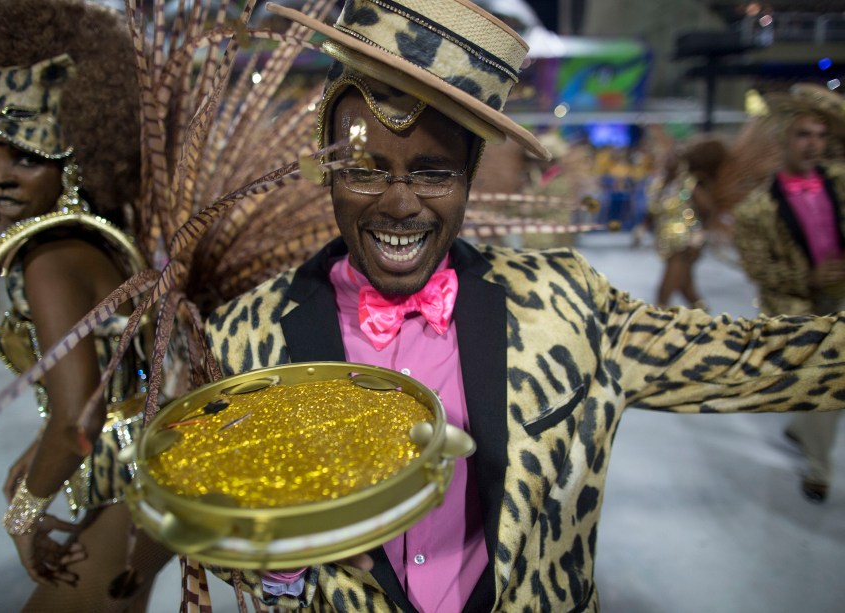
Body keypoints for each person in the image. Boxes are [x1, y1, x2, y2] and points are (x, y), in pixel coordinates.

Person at [199, 2, 845, 611]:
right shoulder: (248, 341)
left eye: (433, 172)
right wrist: (274, 555)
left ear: (470, 177)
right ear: (327, 170)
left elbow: (758, 359)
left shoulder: (566, 306)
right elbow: (189, 506)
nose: (399, 204)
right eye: (366, 170)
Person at [0, 1, 173, 609]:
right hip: (149, 469)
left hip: (133, 491)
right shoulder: (89, 238)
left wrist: (23, 515)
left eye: (26, 156)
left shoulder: (47, 260)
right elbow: (113, 389)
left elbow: (76, 421)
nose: (0, 175)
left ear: (71, 158)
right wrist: (38, 455)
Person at [732, 83, 845, 503]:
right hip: (799, 307)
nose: (813, 144)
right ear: (783, 140)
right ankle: (819, 468)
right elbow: (758, 268)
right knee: (829, 378)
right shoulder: (755, 211)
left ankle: (802, 428)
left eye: (820, 134)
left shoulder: (840, 183)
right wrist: (809, 280)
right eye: (803, 134)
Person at [648, 136, 728, 310]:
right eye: (667, 158)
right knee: (686, 289)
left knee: (664, 292)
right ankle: (706, 321)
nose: (668, 162)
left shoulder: (689, 185)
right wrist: (642, 228)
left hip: (684, 245)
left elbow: (709, 210)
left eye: (673, 159)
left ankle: (657, 326)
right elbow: (654, 212)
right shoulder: (662, 185)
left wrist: (700, 236)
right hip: (668, 243)